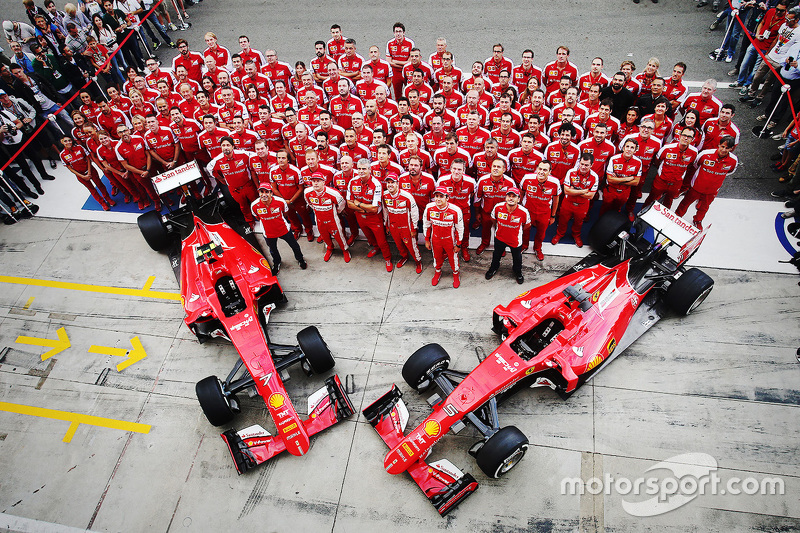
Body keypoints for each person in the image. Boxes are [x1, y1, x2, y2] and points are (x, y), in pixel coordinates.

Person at [675, 136, 738, 229]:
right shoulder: (705, 154)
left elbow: (730, 172)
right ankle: (677, 216)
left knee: (704, 208)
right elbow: (696, 165)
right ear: (719, 145)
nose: (724, 150)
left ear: (731, 148)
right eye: (722, 146)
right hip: (696, 187)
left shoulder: (734, 160)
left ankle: (697, 221)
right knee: (685, 203)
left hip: (712, 191)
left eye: (727, 148)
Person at [347, 157, 393, 271]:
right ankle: (375, 248)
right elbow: (349, 204)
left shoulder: (376, 184)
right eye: (359, 169)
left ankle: (387, 258)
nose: (361, 171)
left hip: (374, 218)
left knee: (382, 241)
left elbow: (374, 209)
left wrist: (358, 204)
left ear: (370, 169)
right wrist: (362, 207)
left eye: (364, 169)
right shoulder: (352, 182)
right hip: (360, 217)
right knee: (369, 237)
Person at [251, 182, 307, 273]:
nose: (264, 194)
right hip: (268, 233)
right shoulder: (254, 205)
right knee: (273, 250)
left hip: (284, 230)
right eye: (262, 192)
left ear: (271, 193)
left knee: (294, 246)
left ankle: (300, 259)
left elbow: (285, 213)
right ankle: (277, 262)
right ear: (259, 193)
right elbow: (257, 217)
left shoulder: (281, 202)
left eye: (267, 192)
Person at [642, 127, 698, 210]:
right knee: (652, 198)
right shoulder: (666, 148)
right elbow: (657, 161)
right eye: (684, 135)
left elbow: (690, 165)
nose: (686, 138)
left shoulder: (694, 152)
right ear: (679, 136)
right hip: (661, 180)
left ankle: (663, 217)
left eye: (689, 137)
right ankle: (643, 213)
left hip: (676, 183)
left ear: (692, 139)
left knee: (668, 201)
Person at [551, 152, 598, 247]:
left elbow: (591, 196)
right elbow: (567, 191)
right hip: (568, 202)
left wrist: (575, 190)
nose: (583, 167)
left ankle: (576, 235)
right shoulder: (571, 172)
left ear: (591, 165)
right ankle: (559, 234)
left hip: (582, 205)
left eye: (586, 165)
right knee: (562, 220)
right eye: (582, 164)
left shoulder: (594, 176)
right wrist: (584, 191)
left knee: (579, 222)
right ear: (579, 163)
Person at [485, 187, 530, 284]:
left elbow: (527, 225)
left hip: (515, 240)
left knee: (517, 258)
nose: (511, 198)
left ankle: (518, 272)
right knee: (496, 255)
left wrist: (515, 231)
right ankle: (493, 268)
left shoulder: (524, 212)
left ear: (518, 199)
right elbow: (493, 219)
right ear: (505, 197)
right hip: (500, 238)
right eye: (509, 196)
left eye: (514, 196)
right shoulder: (498, 207)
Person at [305, 172, 350, 262]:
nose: (315, 183)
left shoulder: (333, 193)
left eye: (318, 181)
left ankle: (345, 250)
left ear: (323, 182)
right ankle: (329, 248)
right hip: (319, 220)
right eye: (313, 181)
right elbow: (309, 203)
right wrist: (317, 208)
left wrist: (337, 211)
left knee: (339, 236)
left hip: (332, 220)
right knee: (324, 236)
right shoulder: (307, 192)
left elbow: (342, 204)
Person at [60, 136, 115, 210]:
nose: (68, 142)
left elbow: (88, 159)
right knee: (92, 189)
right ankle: (102, 203)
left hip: (90, 170)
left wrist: (89, 172)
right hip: (80, 175)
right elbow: (69, 168)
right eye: (65, 141)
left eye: (69, 140)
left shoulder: (79, 147)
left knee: (100, 185)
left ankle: (108, 199)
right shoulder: (62, 154)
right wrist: (82, 176)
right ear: (62, 142)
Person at [423, 186, 463, 287]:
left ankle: (455, 274)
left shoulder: (455, 210)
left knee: (453, 258)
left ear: (447, 198)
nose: (438, 199)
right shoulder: (429, 207)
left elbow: (459, 228)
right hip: (435, 239)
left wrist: (458, 244)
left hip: (449, 240)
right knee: (436, 257)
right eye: (436, 196)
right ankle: (437, 271)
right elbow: (426, 225)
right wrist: (427, 240)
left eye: (441, 196)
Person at [520, 160, 560, 260]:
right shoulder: (527, 178)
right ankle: (524, 245)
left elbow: (556, 199)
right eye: (540, 169)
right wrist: (520, 208)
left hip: (544, 213)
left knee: (541, 233)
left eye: (545, 170)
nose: (541, 172)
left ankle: (537, 248)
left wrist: (553, 215)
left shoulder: (555, 182)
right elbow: (521, 193)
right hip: (528, 211)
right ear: (536, 169)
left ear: (550, 172)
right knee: (525, 230)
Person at [382, 172, 422, 271]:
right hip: (393, 226)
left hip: (406, 227)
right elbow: (385, 211)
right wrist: (386, 226)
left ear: (397, 183)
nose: (390, 185)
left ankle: (418, 261)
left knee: (411, 245)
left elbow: (414, 213)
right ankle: (404, 257)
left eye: (392, 182)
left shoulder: (407, 196)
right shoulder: (385, 195)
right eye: (388, 183)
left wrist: (414, 228)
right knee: (399, 245)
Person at [475, 158, 515, 254]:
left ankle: (501, 247)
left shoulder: (510, 182)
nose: (495, 169)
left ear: (504, 169)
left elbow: (514, 200)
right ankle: (485, 243)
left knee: (502, 231)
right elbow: (477, 198)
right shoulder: (482, 180)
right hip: (486, 212)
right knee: (485, 229)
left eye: (498, 167)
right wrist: (477, 213)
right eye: (494, 166)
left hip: (503, 213)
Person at [601, 138, 643, 217]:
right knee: (605, 209)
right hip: (611, 190)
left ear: (635, 150)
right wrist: (628, 178)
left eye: (632, 148)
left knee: (617, 210)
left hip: (624, 192)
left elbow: (636, 182)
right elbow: (610, 179)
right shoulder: (614, 159)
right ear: (623, 148)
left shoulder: (638, 162)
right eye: (627, 146)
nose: (629, 149)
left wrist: (617, 179)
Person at [386, 22, 414, 98]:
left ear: (404, 33)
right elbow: (389, 61)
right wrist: (402, 63)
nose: (398, 34)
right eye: (396, 32)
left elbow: (410, 61)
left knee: (410, 92)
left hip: (407, 70)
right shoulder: (389, 43)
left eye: (400, 31)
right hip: (395, 72)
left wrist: (396, 61)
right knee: (397, 94)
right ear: (394, 33)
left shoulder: (410, 43)